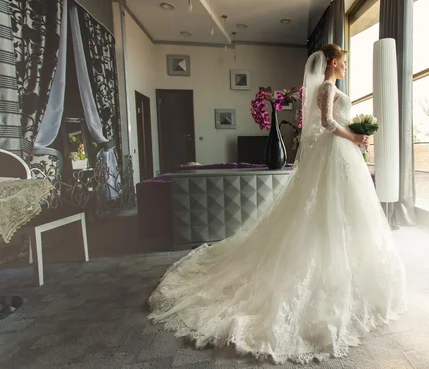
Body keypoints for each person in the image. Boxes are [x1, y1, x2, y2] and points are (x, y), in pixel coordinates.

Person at [148, 43, 406, 365]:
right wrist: (353, 137)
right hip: (334, 153)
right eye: (344, 62)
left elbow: (333, 123)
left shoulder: (334, 87)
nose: (346, 67)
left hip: (343, 156)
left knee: (346, 216)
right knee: (322, 215)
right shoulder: (326, 88)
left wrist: (356, 135)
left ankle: (352, 271)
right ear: (334, 62)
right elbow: (326, 121)